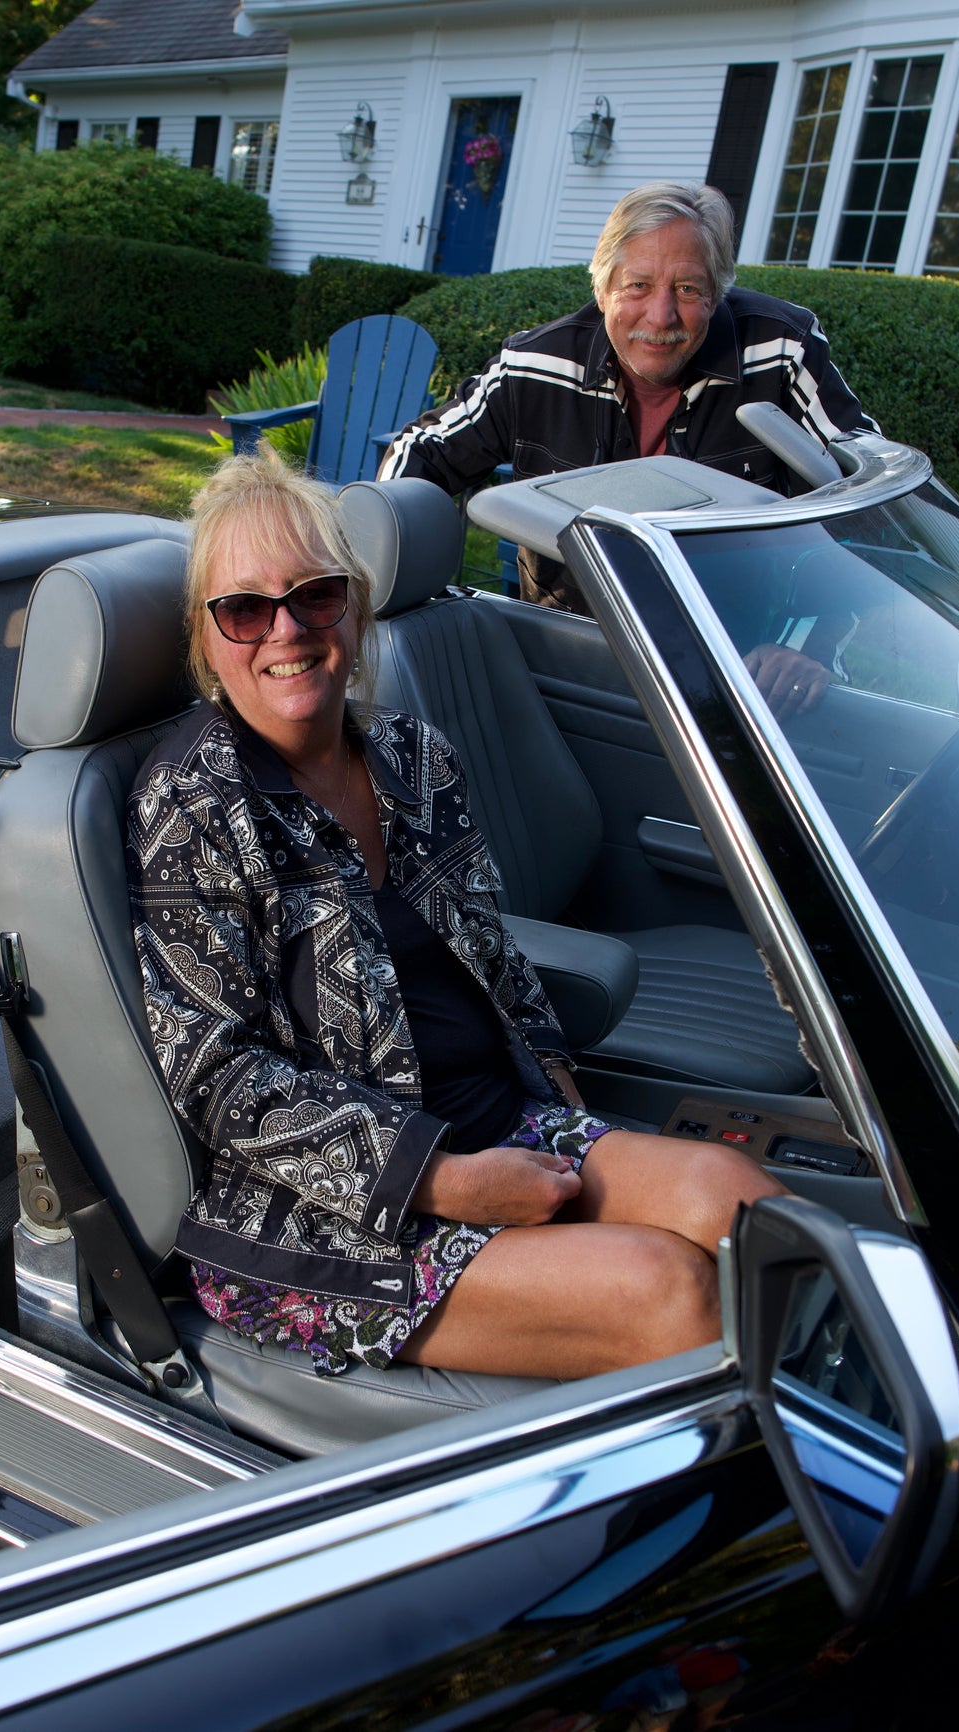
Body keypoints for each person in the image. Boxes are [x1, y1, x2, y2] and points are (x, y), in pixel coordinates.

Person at [126, 450, 787, 1383]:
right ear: (208, 639)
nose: (285, 630)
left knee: (751, 1210)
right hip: (322, 1219)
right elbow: (213, 1073)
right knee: (672, 1288)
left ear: (353, 608)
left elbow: (496, 961)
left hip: (499, 1126)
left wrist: (561, 1124)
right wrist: (440, 1180)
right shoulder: (194, 802)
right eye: (244, 608)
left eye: (314, 595)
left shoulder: (410, 754)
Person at [380, 179, 876, 654]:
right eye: (638, 285)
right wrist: (385, 588)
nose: (660, 317)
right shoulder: (537, 364)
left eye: (686, 289)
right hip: (568, 649)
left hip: (732, 658)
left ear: (717, 292)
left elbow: (866, 494)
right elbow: (420, 452)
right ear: (602, 290)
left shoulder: (781, 349)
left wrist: (807, 648)